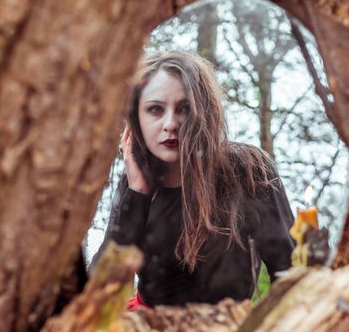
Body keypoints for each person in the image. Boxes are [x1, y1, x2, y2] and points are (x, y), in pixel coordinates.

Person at [92, 51, 294, 309]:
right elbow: (98, 292)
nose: (170, 124)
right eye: (155, 109)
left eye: (184, 108)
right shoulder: (135, 183)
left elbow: (291, 274)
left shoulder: (248, 170)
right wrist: (137, 194)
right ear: (136, 120)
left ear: (204, 113)